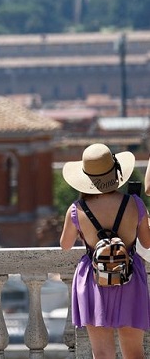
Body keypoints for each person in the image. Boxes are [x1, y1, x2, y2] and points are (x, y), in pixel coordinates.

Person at [59, 143, 150, 359]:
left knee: (101, 354)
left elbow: (65, 245)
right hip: (129, 279)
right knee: (134, 353)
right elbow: (146, 243)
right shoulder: (134, 204)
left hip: (93, 279)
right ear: (115, 172)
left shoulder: (76, 209)